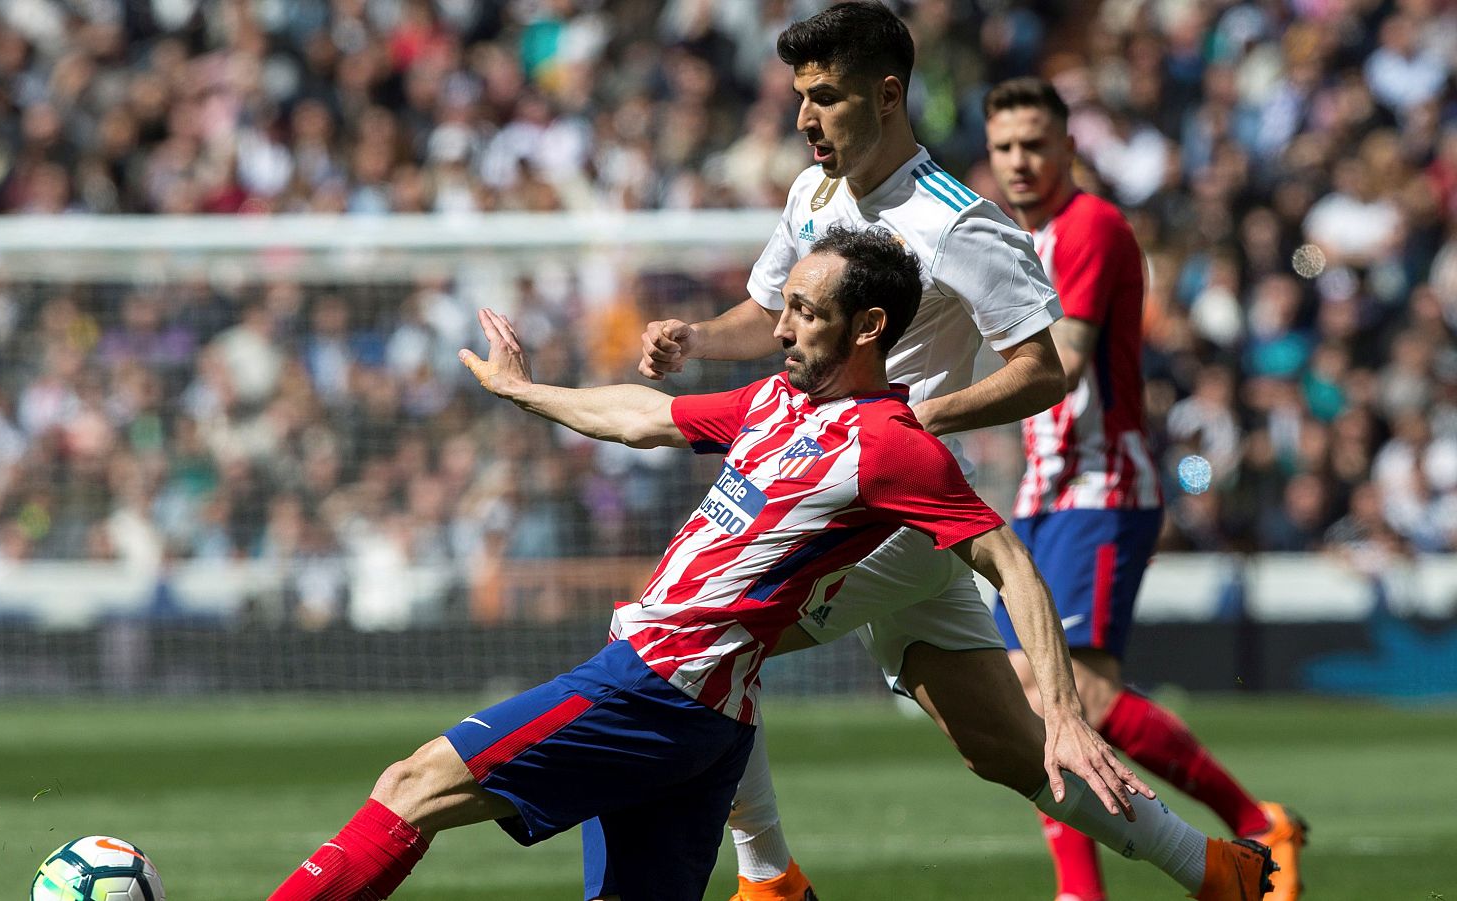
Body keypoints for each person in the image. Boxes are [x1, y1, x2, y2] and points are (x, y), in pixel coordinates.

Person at [263, 228, 1158, 901]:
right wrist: (522, 389)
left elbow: (1013, 565)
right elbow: (643, 416)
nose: (783, 329)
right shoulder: (774, 400)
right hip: (711, 724)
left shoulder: (894, 445)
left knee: (409, 786)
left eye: (807, 313)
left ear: (869, 326)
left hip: (657, 683)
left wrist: (1067, 717)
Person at [606, 5, 1275, 901]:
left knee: (689, 631)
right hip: (851, 500)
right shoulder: (816, 196)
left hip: (881, 509)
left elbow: (1041, 370)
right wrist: (694, 336)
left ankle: (768, 876)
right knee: (1002, 746)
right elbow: (769, 320)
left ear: (888, 96)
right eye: (801, 97)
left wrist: (925, 420)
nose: (805, 118)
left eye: (826, 98)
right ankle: (1212, 867)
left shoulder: (958, 223)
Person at [982, 76, 1308, 901]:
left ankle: (1253, 822)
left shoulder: (1091, 226)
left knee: (1079, 691)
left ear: (1068, 147)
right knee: (1027, 693)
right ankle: (1086, 886)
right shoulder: (1015, 239)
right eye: (1005, 147)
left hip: (1103, 485)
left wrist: (937, 405)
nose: (1019, 161)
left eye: (1034, 144)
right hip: (1046, 492)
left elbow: (1062, 365)